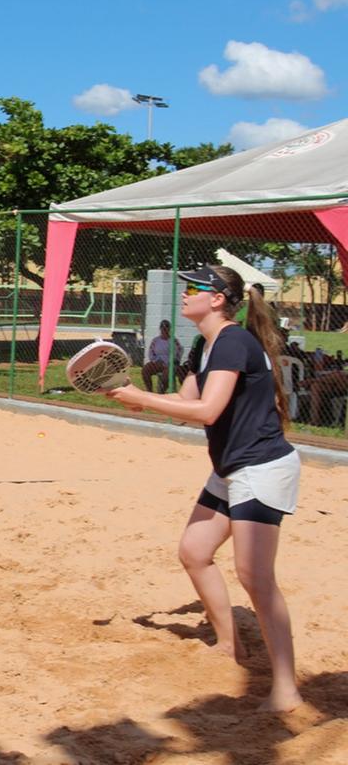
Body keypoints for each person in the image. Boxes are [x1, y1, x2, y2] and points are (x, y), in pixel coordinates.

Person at [108, 264, 303, 713]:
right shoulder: (205, 343)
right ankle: (230, 644)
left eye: (193, 288)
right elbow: (185, 404)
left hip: (262, 467)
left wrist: (141, 398)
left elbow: (210, 411)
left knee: (256, 576)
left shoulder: (234, 340)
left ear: (217, 299)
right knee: (195, 551)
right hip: (232, 466)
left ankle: (287, 688)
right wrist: (134, 395)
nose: (184, 295)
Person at [141, 319, 183, 392]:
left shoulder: (174, 341)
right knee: (145, 370)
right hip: (158, 363)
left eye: (167, 327)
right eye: (163, 328)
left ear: (169, 329)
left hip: (170, 365)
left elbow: (179, 352)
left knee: (165, 376)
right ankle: (149, 391)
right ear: (160, 329)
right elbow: (151, 352)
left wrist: (171, 362)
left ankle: (161, 392)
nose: (165, 330)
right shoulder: (155, 340)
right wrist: (155, 360)